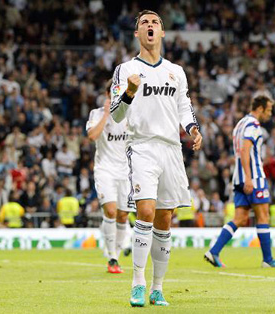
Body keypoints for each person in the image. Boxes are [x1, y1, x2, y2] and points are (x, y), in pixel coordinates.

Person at [110, 10, 202, 307]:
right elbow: (116, 114)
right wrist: (129, 94)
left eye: (155, 23)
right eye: (144, 23)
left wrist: (192, 128)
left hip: (171, 149)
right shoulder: (125, 70)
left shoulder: (175, 71)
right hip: (142, 146)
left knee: (165, 219)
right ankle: (137, 282)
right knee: (146, 212)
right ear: (136, 33)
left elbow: (184, 106)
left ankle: (157, 287)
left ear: (162, 32)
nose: (150, 26)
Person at [204, 93, 275, 268]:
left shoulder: (240, 123)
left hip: (238, 178)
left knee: (240, 218)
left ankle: (214, 251)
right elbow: (244, 151)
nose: (270, 114)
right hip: (254, 177)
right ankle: (268, 260)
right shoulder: (253, 124)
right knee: (263, 215)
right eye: (269, 110)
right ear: (260, 108)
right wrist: (249, 178)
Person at [86, 79, 134, 274]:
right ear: (108, 95)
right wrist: (106, 115)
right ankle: (112, 257)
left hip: (127, 171)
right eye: (113, 93)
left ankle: (116, 253)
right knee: (111, 211)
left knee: (123, 215)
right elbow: (92, 136)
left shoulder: (130, 114)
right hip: (105, 169)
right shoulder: (96, 114)